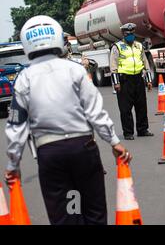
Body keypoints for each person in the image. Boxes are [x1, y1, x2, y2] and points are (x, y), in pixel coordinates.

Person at [4, 15, 132, 225]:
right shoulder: (75, 70)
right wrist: (114, 142)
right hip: (83, 147)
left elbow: (16, 127)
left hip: (49, 154)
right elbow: (95, 112)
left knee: (63, 218)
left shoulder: (24, 79)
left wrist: (13, 163)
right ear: (57, 38)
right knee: (94, 213)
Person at [110, 23, 153, 140]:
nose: (130, 36)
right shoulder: (117, 47)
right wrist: (116, 83)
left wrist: (149, 80)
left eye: (132, 34)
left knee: (141, 106)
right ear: (123, 34)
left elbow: (146, 63)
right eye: (127, 34)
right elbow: (113, 66)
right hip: (124, 80)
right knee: (125, 108)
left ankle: (143, 129)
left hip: (138, 79)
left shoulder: (139, 46)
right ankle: (128, 132)